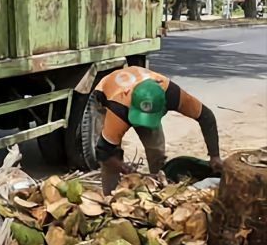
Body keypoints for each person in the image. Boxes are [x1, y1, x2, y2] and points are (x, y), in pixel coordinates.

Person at [93, 65, 222, 194]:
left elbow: (206, 116)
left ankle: (158, 185)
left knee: (156, 150)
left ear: (164, 105)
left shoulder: (172, 94)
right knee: (111, 160)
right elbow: (103, 152)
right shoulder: (117, 110)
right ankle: (110, 196)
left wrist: (214, 156)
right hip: (107, 94)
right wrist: (126, 169)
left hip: (139, 92)